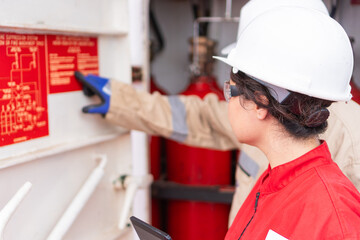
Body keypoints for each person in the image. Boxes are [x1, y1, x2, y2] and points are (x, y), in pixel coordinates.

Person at [74, 0, 360, 228]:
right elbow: (201, 118)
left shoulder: (345, 155)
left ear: (261, 97)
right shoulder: (273, 130)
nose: (230, 101)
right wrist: (121, 102)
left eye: (232, 89)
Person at [214, 6, 360, 239]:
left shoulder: (334, 216)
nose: (228, 101)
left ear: (259, 103)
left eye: (230, 90)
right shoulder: (272, 182)